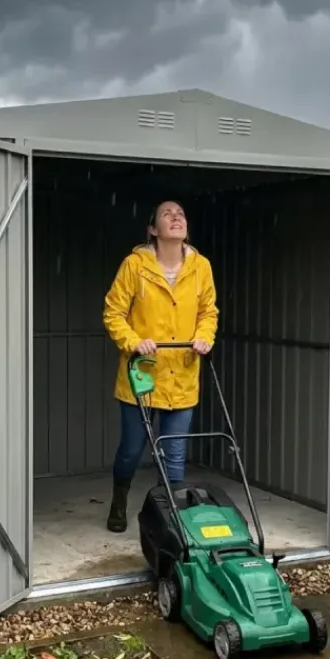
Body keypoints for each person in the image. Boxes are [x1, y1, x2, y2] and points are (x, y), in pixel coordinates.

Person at [102, 199, 219, 533]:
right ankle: (119, 500)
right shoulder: (134, 266)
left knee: (174, 455)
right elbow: (113, 312)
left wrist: (203, 337)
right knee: (131, 450)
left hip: (182, 374)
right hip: (142, 374)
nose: (176, 217)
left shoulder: (201, 267)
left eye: (180, 213)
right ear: (153, 229)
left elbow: (208, 312)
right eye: (167, 214)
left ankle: (170, 521)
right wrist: (133, 341)